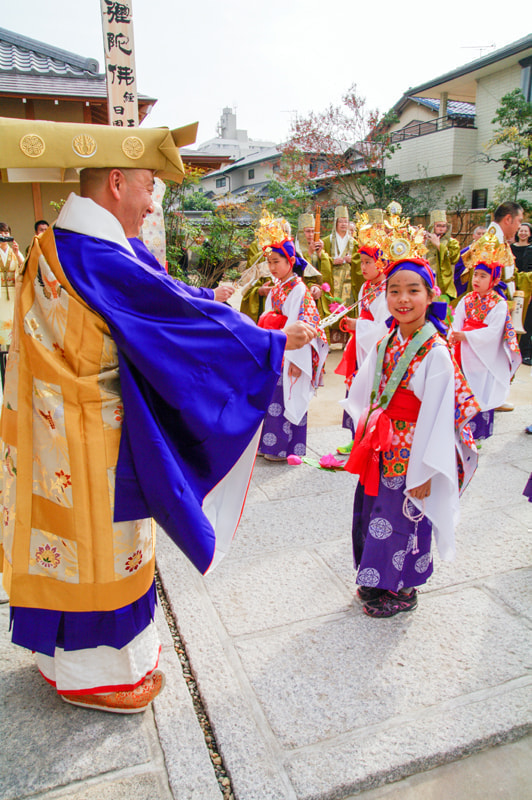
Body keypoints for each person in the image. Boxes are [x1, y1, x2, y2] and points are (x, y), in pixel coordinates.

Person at [0, 118, 316, 714]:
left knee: (64, 547)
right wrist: (270, 342)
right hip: (94, 435)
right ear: (117, 183)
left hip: (52, 428)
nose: (151, 204)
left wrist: (213, 301)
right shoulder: (97, 256)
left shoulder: (59, 244)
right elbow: (174, 318)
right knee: (101, 546)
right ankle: (100, 674)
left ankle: (59, 659)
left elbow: (163, 294)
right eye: (149, 187)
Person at [343, 229, 479, 618]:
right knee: (375, 514)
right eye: (395, 291)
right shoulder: (387, 341)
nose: (403, 299)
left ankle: (402, 588)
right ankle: (374, 578)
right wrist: (365, 428)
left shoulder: (435, 350)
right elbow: (365, 391)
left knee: (404, 518)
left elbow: (438, 416)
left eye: (413, 290)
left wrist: (427, 470)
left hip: (415, 451)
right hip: (382, 447)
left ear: (431, 295)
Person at [256, 215, 328, 461]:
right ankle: (267, 445)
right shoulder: (277, 288)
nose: (272, 267)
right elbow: (266, 316)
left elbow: (302, 327)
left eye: (277, 262)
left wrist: (298, 360)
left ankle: (282, 448)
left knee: (286, 398)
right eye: (269, 262)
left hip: (292, 351)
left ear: (291, 261)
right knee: (272, 398)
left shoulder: (298, 288)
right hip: (277, 349)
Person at [449, 234, 521, 440]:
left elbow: (493, 332)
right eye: (475, 275)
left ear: (494, 279)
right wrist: (453, 333)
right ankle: (461, 430)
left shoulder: (499, 303)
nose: (476, 280)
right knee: (462, 391)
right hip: (464, 352)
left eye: (482, 276)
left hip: (483, 356)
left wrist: (465, 335)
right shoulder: (467, 299)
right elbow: (456, 319)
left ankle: (477, 434)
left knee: (481, 392)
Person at [334, 214, 390, 449]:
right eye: (362, 262)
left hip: (373, 347)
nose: (363, 267)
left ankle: (368, 437)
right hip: (360, 345)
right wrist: (355, 325)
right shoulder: (367, 286)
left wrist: (357, 325)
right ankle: (355, 436)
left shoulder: (388, 290)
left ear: (382, 262)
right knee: (356, 388)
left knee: (370, 389)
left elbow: (385, 327)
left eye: (368, 262)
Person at [0, 222, 24, 386]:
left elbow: (23, 266)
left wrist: (17, 252)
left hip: (13, 294)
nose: (3, 236)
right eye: (1, 233)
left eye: (6, 232)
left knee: (14, 333)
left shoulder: (13, 252)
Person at [425, 210, 460, 302]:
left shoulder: (452, 242)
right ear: (432, 226)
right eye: (438, 226)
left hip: (443, 279)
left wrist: (439, 246)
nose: (441, 229)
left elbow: (454, 258)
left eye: (443, 226)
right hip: (427, 275)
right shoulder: (426, 241)